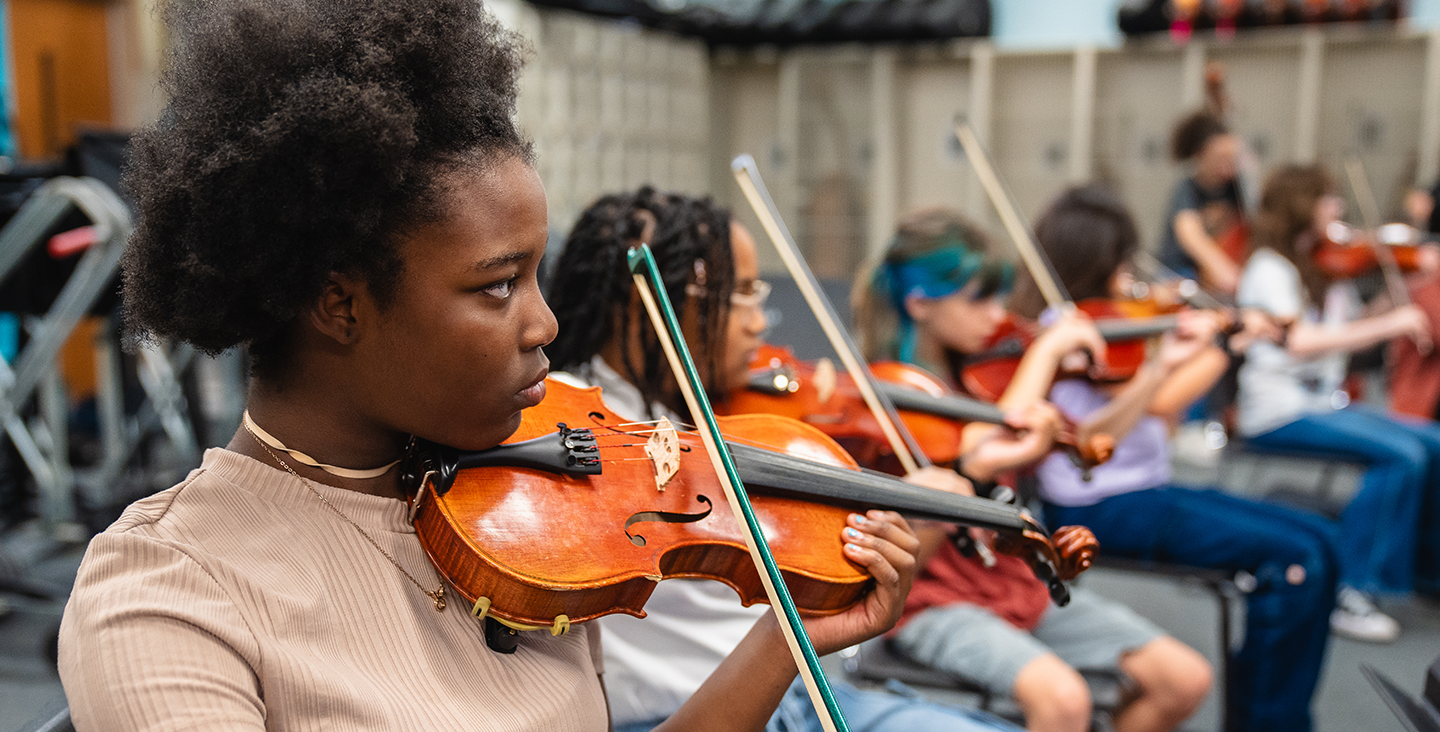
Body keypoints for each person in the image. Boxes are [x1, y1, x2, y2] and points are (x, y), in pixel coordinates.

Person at [55, 3, 920, 730]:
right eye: (498, 285)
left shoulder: (532, 518)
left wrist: (785, 638)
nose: (545, 322)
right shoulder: (170, 592)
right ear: (339, 304)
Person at [546, 187, 1025, 732]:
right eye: (742, 296)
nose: (759, 323)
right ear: (656, 304)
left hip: (803, 692)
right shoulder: (580, 419)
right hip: (688, 712)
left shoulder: (707, 415)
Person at [854, 207, 1214, 732]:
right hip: (930, 599)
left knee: (1184, 679)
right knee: (1064, 702)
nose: (995, 315)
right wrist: (1044, 354)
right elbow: (978, 448)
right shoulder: (892, 391)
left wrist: (1158, 369)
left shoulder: (986, 374)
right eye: (980, 299)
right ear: (920, 305)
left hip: (1013, 579)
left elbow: (1090, 440)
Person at [1015, 184, 1340, 732]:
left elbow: (1156, 410)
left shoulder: (1117, 325)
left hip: (1147, 489)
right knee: (1296, 563)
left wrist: (1204, 348)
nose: (1130, 273)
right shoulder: (1062, 337)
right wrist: (1182, 358)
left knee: (1322, 541)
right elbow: (1112, 429)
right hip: (1098, 506)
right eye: (1120, 260)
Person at [1236, 164, 1440, 629]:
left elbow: (1348, 335)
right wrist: (1391, 323)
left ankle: (1426, 572)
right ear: (1300, 205)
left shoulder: (1323, 267)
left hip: (1324, 403)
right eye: (1327, 200)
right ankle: (1351, 586)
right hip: (1279, 411)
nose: (1338, 209)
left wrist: (1396, 298)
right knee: (1401, 456)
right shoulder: (1269, 268)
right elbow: (1300, 341)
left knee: (1433, 441)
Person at [1158, 111, 1245, 295]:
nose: (1229, 165)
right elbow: (1189, 232)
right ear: (1200, 155)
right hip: (1182, 272)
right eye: (1220, 157)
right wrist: (1224, 270)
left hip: (1217, 277)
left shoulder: (1236, 188)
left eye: (1232, 157)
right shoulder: (1187, 188)